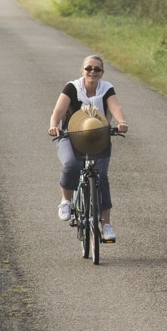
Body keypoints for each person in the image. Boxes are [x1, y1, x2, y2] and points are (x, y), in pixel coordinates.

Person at [48, 54, 129, 242]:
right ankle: (66, 201)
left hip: (98, 137)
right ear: (82, 70)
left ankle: (106, 225)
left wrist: (122, 121)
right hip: (71, 136)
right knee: (71, 164)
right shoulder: (72, 87)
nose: (92, 72)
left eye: (97, 69)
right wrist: (54, 125)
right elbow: (59, 111)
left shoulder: (106, 89)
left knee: (101, 177)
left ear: (102, 72)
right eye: (88, 68)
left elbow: (115, 107)